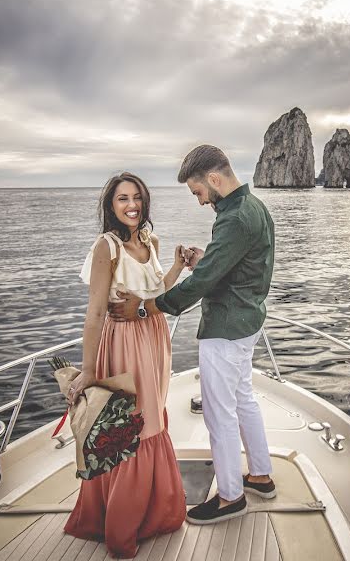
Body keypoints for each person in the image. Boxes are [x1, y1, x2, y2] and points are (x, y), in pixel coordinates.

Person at [110, 145, 276, 525]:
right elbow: (244, 267)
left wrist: (146, 306)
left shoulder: (234, 218)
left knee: (219, 413)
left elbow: (202, 283)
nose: (200, 202)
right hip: (247, 321)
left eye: (198, 192)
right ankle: (261, 475)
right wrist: (209, 260)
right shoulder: (254, 208)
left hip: (226, 327)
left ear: (214, 179)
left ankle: (231, 496)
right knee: (244, 399)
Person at [64, 172, 187, 558]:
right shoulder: (107, 247)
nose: (131, 205)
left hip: (154, 338)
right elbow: (96, 311)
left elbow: (156, 292)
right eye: (122, 199)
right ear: (111, 206)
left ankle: (154, 513)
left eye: (136, 197)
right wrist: (87, 370)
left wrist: (178, 267)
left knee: (154, 420)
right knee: (133, 426)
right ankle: (121, 525)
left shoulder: (151, 240)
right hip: (123, 345)